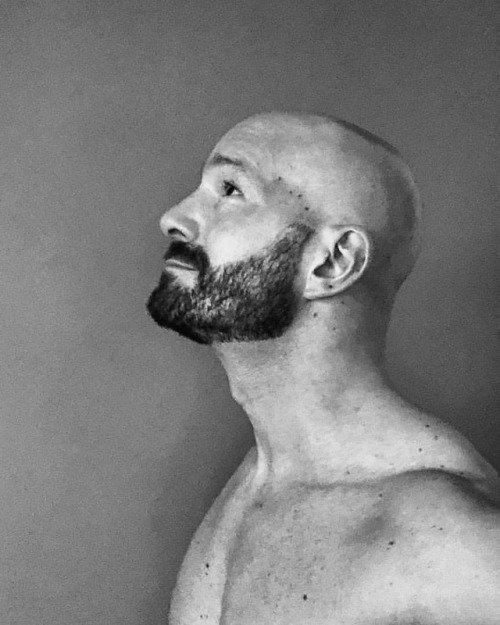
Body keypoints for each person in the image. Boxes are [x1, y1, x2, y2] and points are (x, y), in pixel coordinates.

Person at [147, 112, 500, 625]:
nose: (174, 217)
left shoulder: (451, 541)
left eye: (231, 190)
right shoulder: (257, 480)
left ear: (332, 263)